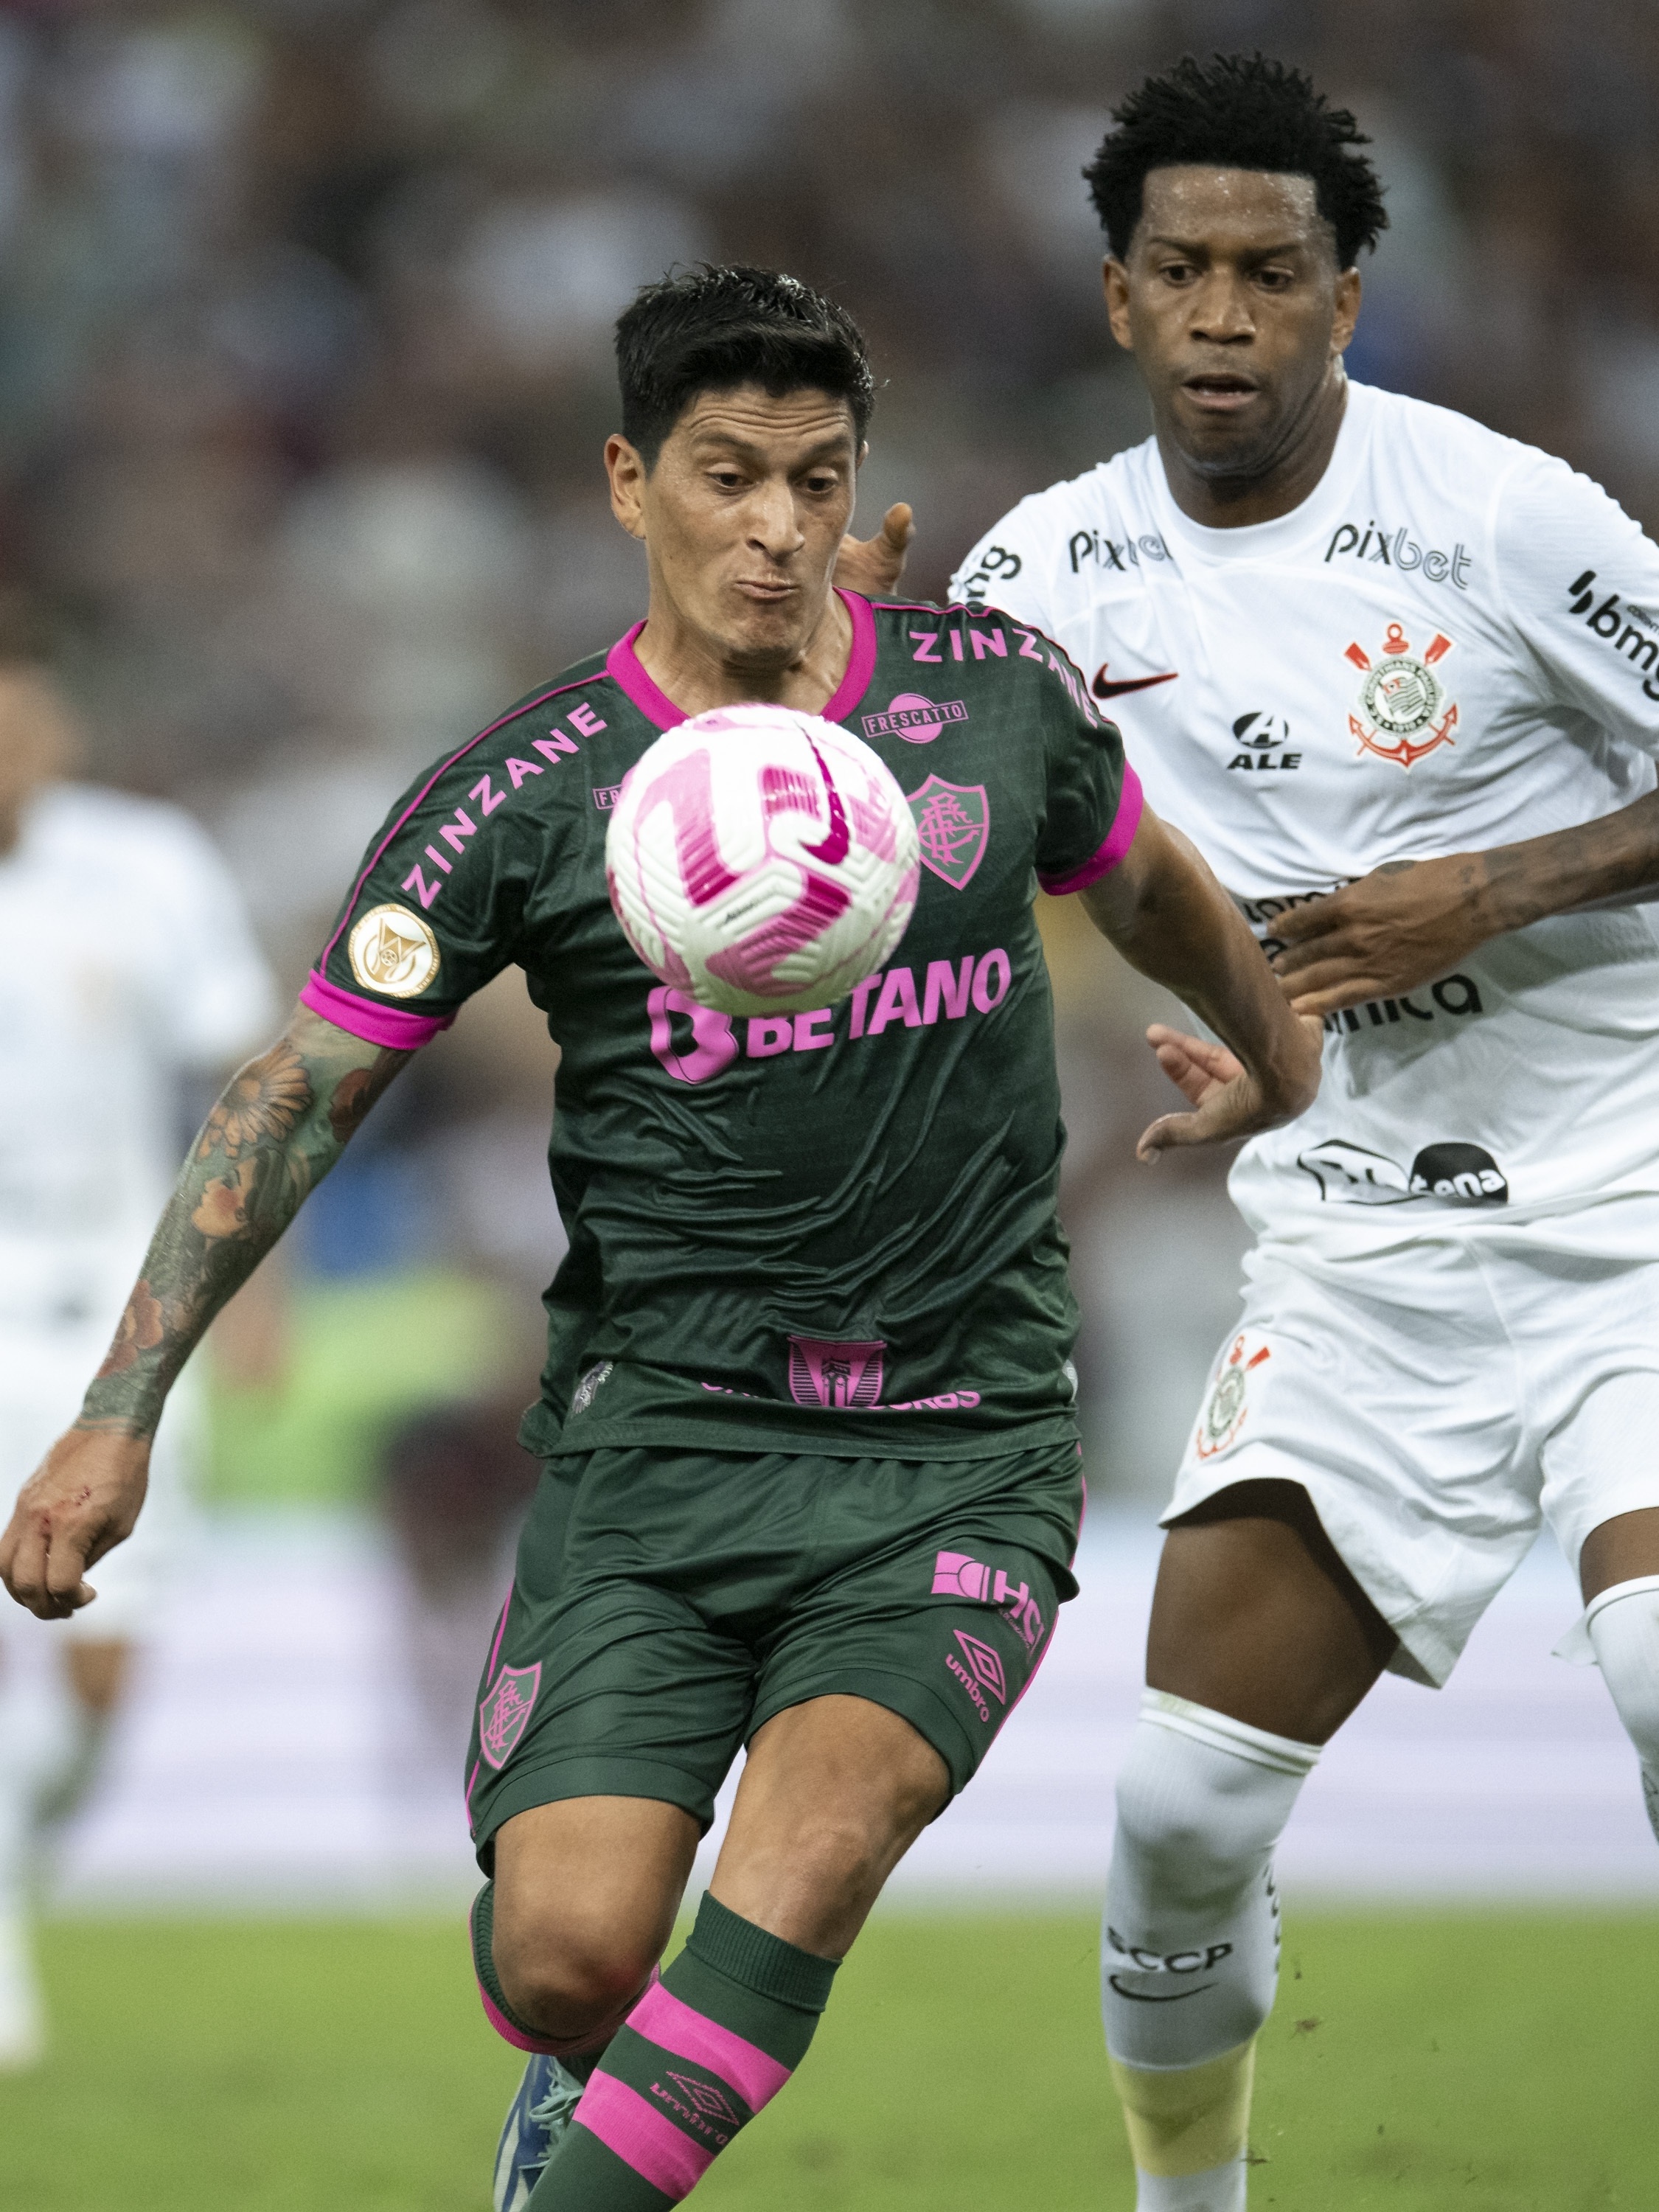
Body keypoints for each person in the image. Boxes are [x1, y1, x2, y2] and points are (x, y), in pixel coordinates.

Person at [0, 265, 1317, 2208]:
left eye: (814, 473)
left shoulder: (986, 701)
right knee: (569, 1959)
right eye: (725, 475)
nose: (776, 524)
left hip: (955, 1444)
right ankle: (567, 2075)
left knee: (809, 1853)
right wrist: (122, 1407)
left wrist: (1279, 1063)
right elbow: (294, 1087)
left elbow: (1155, 881)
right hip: (658, 1446)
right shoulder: (521, 795)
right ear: (629, 483)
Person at [861, 47, 1659, 2212]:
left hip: (1632, 1203)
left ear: (1347, 297)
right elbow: (997, 854)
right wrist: (824, 676)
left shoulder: (1501, 513)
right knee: (1178, 1821)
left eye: (1270, 273)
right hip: (1363, 1239)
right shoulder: (1045, 577)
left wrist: (1495, 888)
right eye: (1180, 272)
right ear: (1117, 302)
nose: (1224, 314)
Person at [0, 595, 276, 2067]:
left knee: (106, 1665)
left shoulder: (145, 865)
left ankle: (5, 1869)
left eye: (23, 724)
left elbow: (243, 1091)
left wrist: (257, 1294)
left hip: (118, 1321)